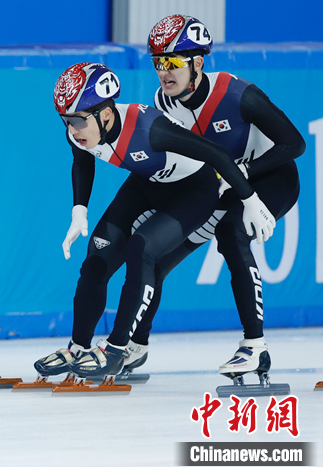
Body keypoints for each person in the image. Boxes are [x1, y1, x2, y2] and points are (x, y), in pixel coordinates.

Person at [33, 62, 276, 382]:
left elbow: (216, 154)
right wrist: (79, 211)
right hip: (147, 184)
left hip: (193, 191)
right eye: (65, 120)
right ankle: (78, 347)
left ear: (106, 114)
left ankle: (117, 348)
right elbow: (82, 161)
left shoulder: (150, 129)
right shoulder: (78, 131)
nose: (72, 129)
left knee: (142, 249)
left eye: (77, 120)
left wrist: (251, 200)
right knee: (97, 256)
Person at [122, 15, 305, 381]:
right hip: (221, 186)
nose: (163, 71)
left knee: (231, 232)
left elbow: (294, 144)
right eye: (157, 62)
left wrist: (245, 175)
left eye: (171, 61)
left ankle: (255, 347)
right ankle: (135, 346)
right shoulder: (162, 102)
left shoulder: (238, 95)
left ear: (197, 63)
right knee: (155, 257)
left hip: (272, 178)